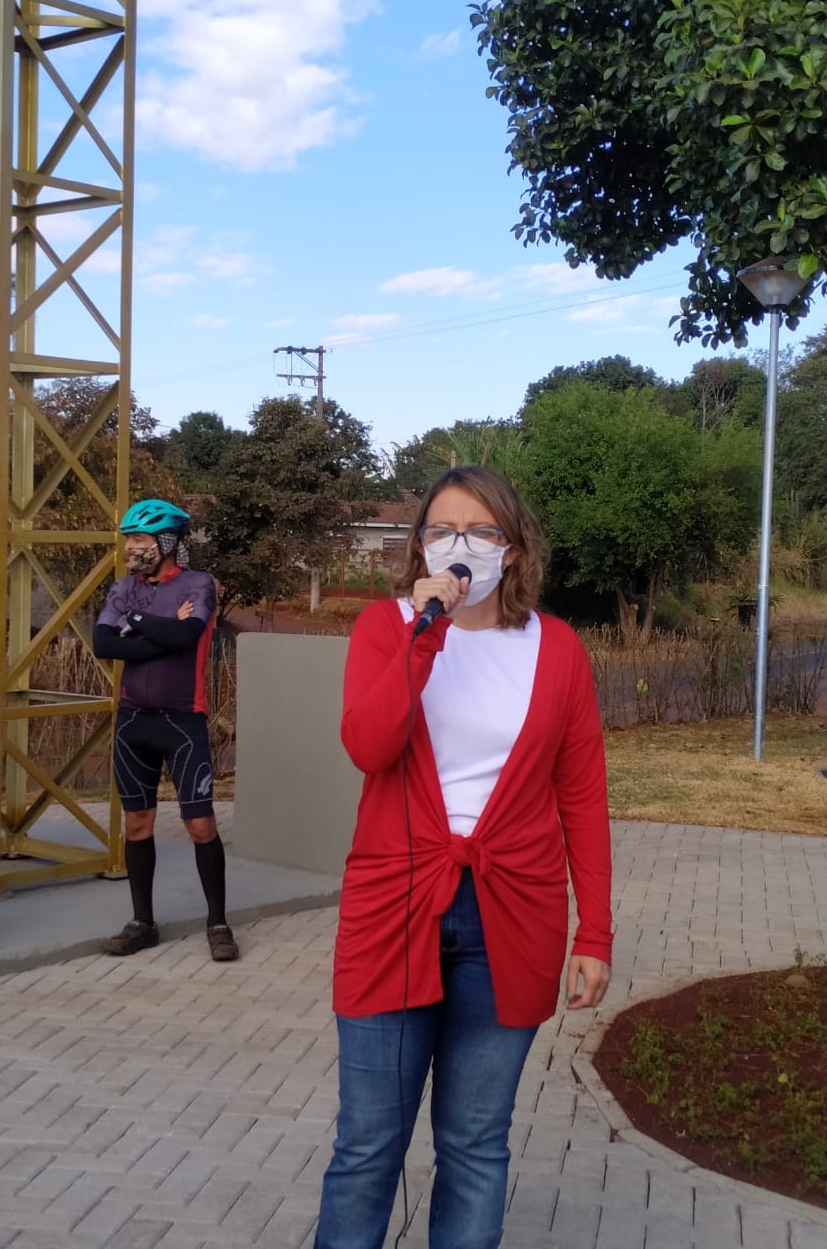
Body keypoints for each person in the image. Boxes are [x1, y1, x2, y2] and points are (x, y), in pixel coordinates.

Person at [314, 465, 612, 1249]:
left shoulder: (558, 649)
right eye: (443, 531)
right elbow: (369, 745)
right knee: (368, 1147)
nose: (461, 547)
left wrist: (596, 933)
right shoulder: (387, 629)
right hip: (394, 909)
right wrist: (426, 633)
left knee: (475, 1147)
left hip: (513, 916)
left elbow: (582, 797)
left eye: (482, 532)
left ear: (512, 551)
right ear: (419, 546)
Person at [93, 498, 238, 962]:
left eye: (140, 539)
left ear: (168, 542)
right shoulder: (122, 586)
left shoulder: (199, 585)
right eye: (130, 539)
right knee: (138, 823)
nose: (132, 547)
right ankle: (142, 922)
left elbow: (186, 639)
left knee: (199, 824)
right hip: (133, 720)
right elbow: (102, 644)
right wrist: (153, 629)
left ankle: (217, 922)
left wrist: (134, 627)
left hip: (183, 720)